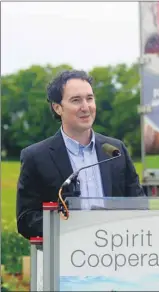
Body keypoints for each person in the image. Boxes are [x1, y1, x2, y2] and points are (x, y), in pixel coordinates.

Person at [16, 70, 146, 240]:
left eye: (89, 98)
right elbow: (26, 220)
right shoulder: (35, 157)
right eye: (76, 100)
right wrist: (70, 225)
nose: (86, 107)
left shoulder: (116, 150)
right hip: (66, 258)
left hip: (116, 255)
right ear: (58, 108)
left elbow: (139, 205)